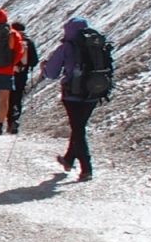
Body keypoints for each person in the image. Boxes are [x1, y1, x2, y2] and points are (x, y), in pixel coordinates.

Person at [41, 15, 106, 181]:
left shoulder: (67, 47)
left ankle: (86, 168)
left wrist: (44, 67)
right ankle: (69, 159)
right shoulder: (97, 44)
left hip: (73, 95)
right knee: (78, 127)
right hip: (94, 93)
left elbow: (52, 73)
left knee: (78, 129)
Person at [7, 18, 39, 134]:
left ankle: (9, 121)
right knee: (18, 96)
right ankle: (16, 118)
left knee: (8, 96)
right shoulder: (28, 41)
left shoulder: (9, 39)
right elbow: (34, 60)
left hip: (9, 72)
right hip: (22, 73)